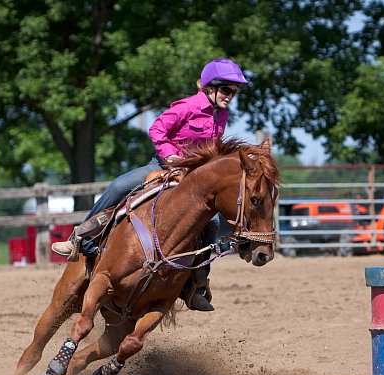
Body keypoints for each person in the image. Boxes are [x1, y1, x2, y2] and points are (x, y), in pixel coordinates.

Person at [52, 58, 248, 311]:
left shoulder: (222, 115)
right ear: (210, 87)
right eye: (227, 90)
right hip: (162, 166)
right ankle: (79, 239)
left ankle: (197, 284)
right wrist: (170, 156)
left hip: (192, 177)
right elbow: (157, 129)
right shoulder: (187, 106)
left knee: (210, 222)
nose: (230, 96)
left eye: (234, 92)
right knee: (119, 186)